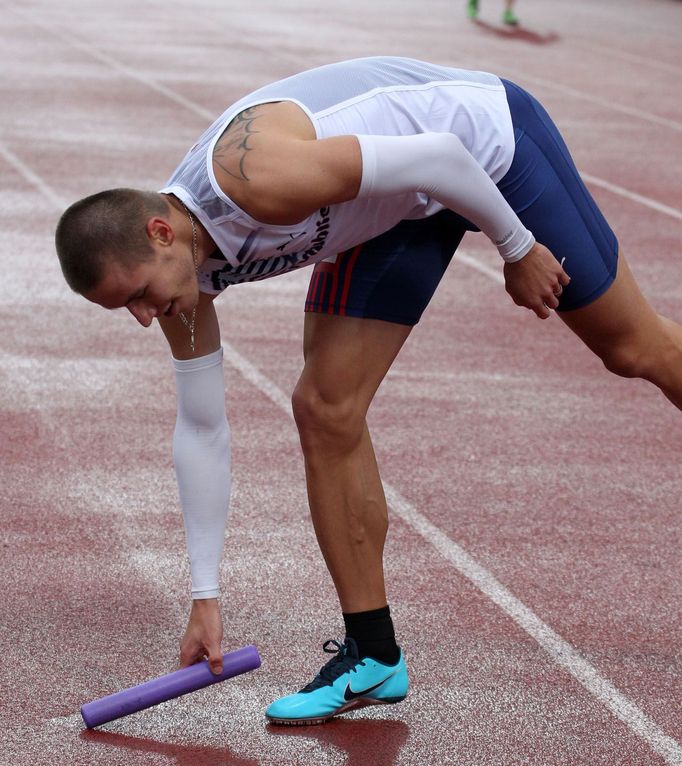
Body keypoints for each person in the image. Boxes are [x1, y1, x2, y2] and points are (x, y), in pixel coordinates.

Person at [55, 56, 682, 726]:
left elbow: (441, 154)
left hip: (483, 148)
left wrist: (517, 246)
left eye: (140, 296)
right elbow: (202, 426)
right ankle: (374, 657)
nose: (146, 317)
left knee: (632, 350)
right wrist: (205, 596)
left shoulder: (255, 180)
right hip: (398, 207)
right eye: (126, 310)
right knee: (325, 408)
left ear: (160, 233)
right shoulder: (183, 274)